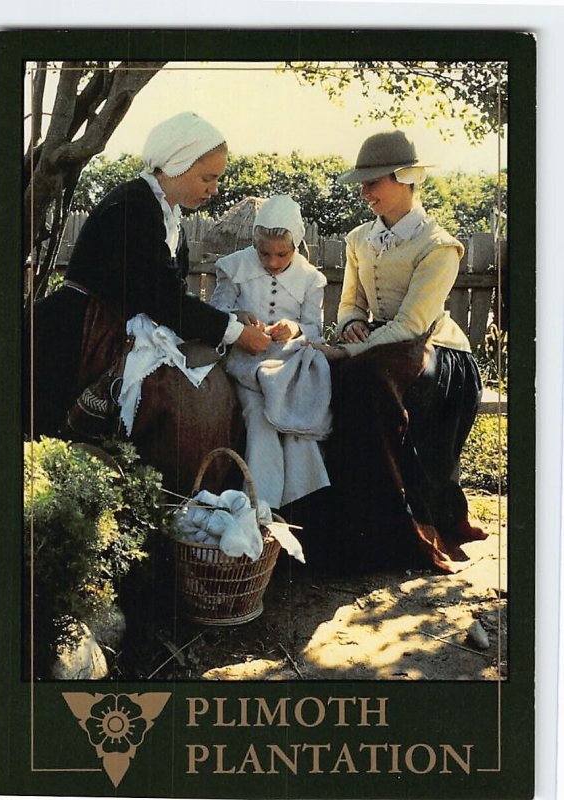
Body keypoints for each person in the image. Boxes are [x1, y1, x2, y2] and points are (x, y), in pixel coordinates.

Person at [24, 111, 271, 437]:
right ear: (177, 164)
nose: (214, 190)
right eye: (207, 178)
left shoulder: (170, 218)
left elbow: (169, 292)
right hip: (73, 336)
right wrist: (235, 332)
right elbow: (162, 299)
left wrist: (230, 318)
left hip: (107, 331)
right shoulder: (132, 207)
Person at [312, 130, 486, 572]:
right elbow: (351, 301)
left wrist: (351, 353)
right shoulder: (358, 240)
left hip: (436, 350)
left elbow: (413, 324)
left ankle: (401, 530)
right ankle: (347, 528)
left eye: (374, 182)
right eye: (363, 183)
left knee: (367, 382)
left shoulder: (439, 246)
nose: (365, 192)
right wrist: (351, 326)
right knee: (332, 376)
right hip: (379, 347)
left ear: (405, 178)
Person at [210, 194, 332, 510]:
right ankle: (262, 506)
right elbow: (217, 310)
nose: (273, 262)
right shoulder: (235, 267)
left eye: (282, 255)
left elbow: (314, 329)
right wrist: (238, 317)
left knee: (294, 424)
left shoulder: (310, 279)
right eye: (264, 254)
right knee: (259, 416)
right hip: (246, 363)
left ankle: (302, 505)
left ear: (297, 246)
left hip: (287, 366)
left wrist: (294, 329)